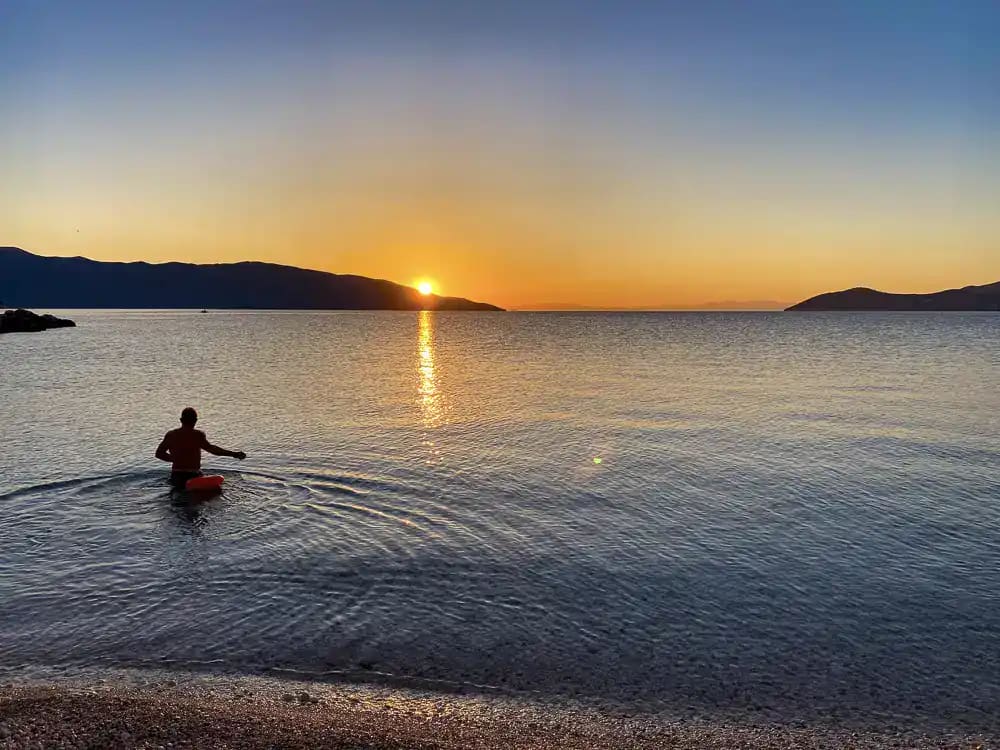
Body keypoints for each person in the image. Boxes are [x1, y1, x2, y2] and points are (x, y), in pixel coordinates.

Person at [156, 407, 246, 488]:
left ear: (181, 420)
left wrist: (175, 459)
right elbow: (213, 450)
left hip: (177, 475)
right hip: (194, 475)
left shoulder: (171, 435)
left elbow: (159, 454)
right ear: (195, 420)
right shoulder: (198, 435)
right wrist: (234, 454)